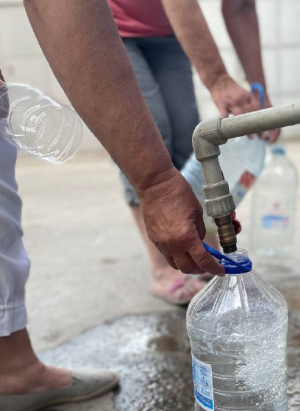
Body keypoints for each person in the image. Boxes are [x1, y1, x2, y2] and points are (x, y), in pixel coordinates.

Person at [0, 0, 225, 411]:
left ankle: (12, 368)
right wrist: (156, 181)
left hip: (162, 38)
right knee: (149, 129)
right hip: (122, 32)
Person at [108, 0, 280, 304]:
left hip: (166, 32)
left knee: (186, 134)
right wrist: (217, 79)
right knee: (148, 133)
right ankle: (162, 268)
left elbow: (240, 7)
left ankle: (197, 244)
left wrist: (259, 93)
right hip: (110, 23)